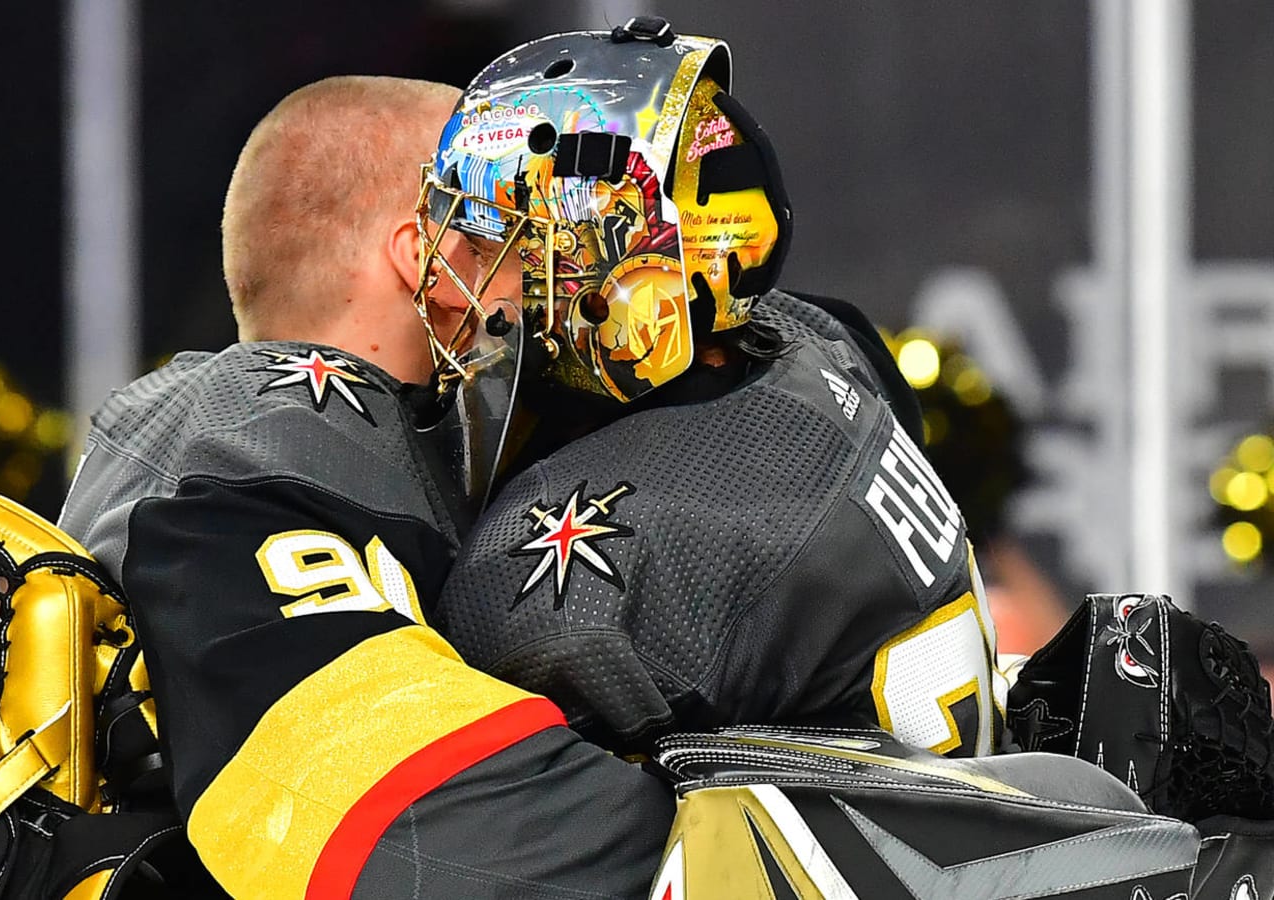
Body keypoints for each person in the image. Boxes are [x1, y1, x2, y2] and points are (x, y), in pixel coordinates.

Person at [56, 75, 674, 900]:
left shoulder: (322, 433)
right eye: (503, 229)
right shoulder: (251, 456)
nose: (539, 267)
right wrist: (750, 831)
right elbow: (416, 828)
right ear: (428, 254)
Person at [422, 19, 1002, 761]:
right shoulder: (827, 337)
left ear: (604, 264)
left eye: (488, 244)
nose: (445, 282)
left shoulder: (563, 581)